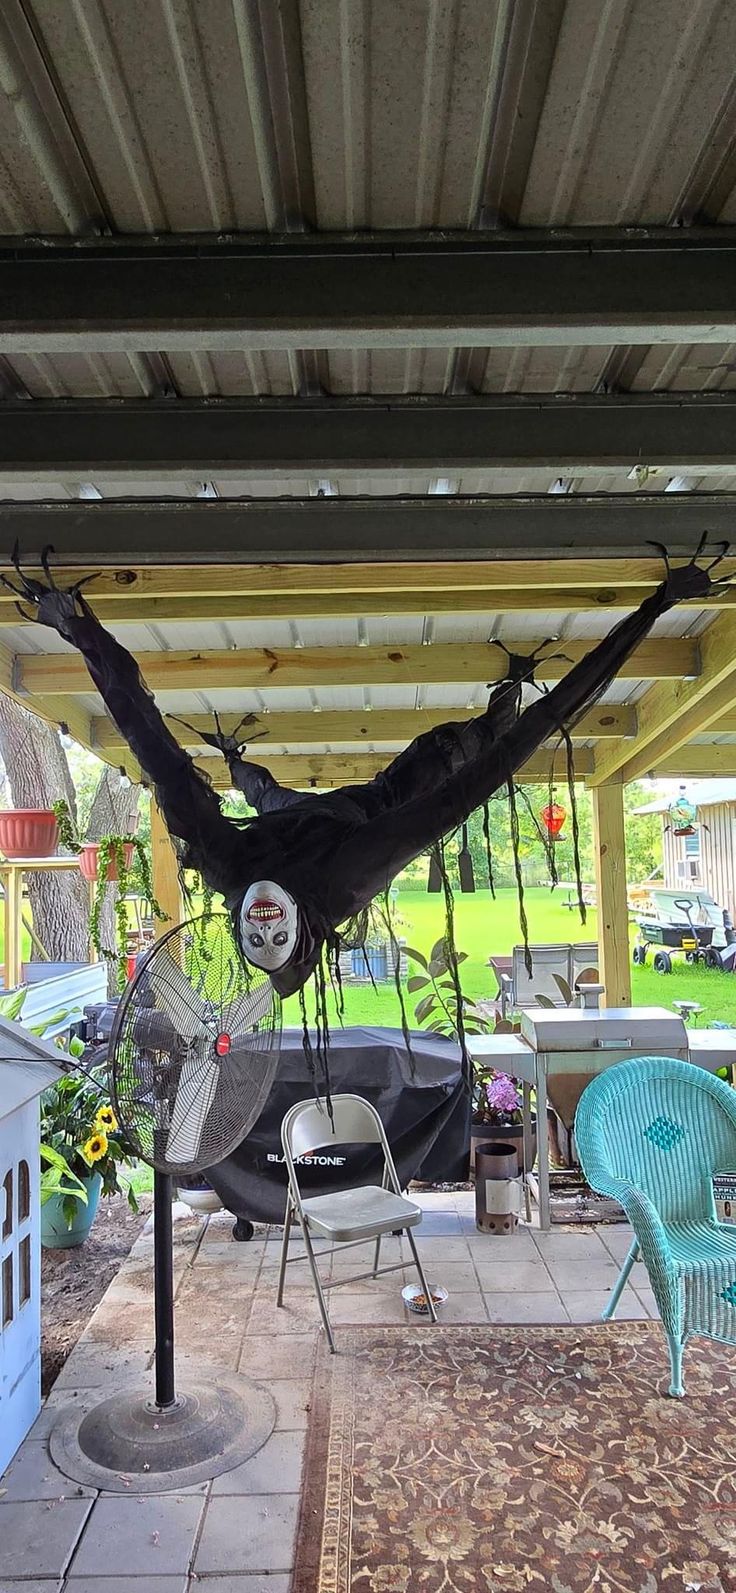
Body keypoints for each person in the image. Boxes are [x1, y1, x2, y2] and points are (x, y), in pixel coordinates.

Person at [2, 540, 727, 1001]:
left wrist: (78, 626)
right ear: (296, 924)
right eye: (275, 929)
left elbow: (151, 742)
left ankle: (241, 757)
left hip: (277, 819)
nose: (264, 916)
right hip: (371, 815)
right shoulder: (347, 877)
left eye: (254, 924)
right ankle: (503, 695)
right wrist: (655, 605)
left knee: (256, 790)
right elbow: (498, 766)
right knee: (458, 752)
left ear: (243, 915)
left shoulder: (225, 864)